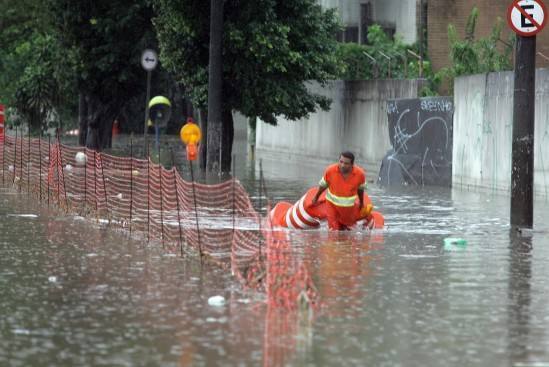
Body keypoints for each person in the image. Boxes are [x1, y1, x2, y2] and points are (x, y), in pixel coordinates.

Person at [311, 151, 367, 231]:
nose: (343, 165)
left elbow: (360, 189)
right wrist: (316, 197)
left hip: (349, 208)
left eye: (346, 163)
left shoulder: (360, 174)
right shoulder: (330, 170)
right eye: (341, 162)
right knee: (334, 231)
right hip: (332, 205)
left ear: (352, 164)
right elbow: (323, 185)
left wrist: (361, 202)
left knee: (349, 230)